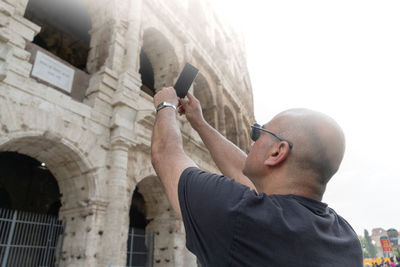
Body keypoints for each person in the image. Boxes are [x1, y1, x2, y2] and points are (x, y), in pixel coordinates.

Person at [151, 87, 363, 266]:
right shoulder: (347, 238)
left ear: (277, 152)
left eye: (258, 133)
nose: (252, 142)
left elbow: (166, 155)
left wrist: (165, 105)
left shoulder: (238, 218)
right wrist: (200, 123)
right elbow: (245, 176)